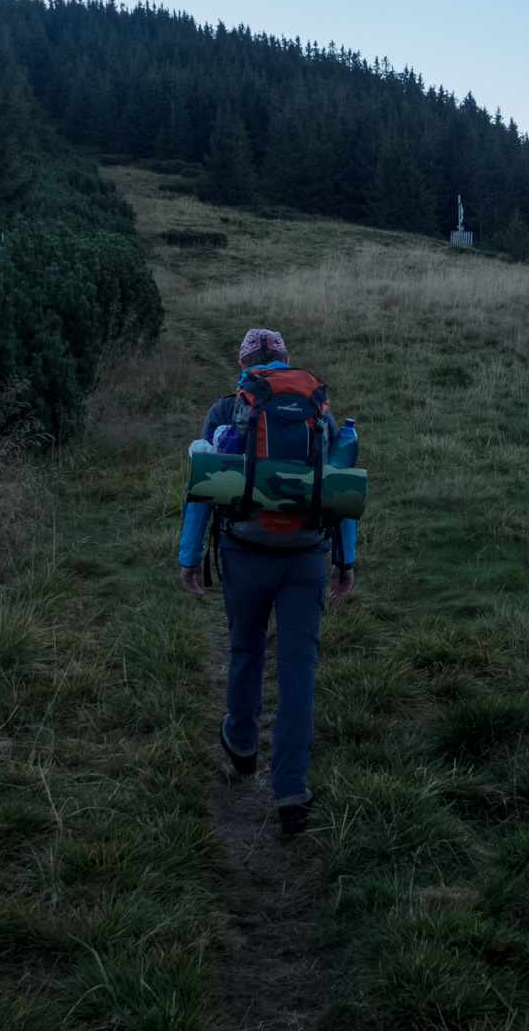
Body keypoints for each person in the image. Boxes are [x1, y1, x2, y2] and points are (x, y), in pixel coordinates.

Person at [178, 327, 356, 835]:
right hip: (307, 558)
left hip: (244, 550)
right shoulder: (318, 408)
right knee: (299, 671)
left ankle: (240, 740)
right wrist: (346, 560)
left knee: (246, 648)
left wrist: (190, 556)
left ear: (245, 364)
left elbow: (204, 489)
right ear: (284, 359)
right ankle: (292, 792)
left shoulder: (228, 408)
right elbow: (338, 486)